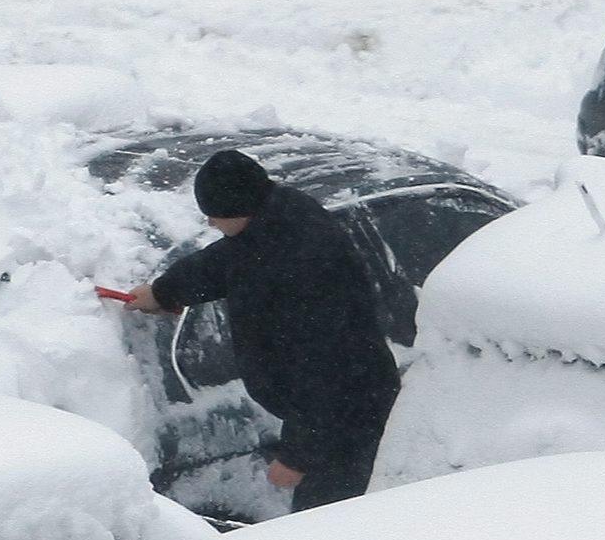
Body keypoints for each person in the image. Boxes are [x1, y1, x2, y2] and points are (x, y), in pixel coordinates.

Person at [109, 149, 400, 511]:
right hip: (333, 401)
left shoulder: (304, 264)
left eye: (215, 216)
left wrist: (297, 456)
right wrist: (164, 292)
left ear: (239, 207)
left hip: (350, 407)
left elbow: (324, 368)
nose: (212, 224)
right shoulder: (273, 221)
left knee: (323, 520)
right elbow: (226, 262)